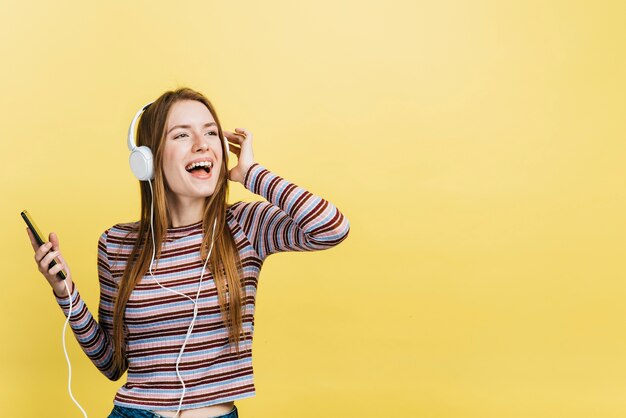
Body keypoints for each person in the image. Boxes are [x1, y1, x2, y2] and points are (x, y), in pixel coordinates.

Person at [26, 87, 350, 418]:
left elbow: (332, 227)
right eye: (182, 134)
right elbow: (112, 363)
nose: (202, 143)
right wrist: (64, 292)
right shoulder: (116, 243)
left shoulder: (245, 227)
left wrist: (251, 173)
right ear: (147, 160)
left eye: (211, 132)